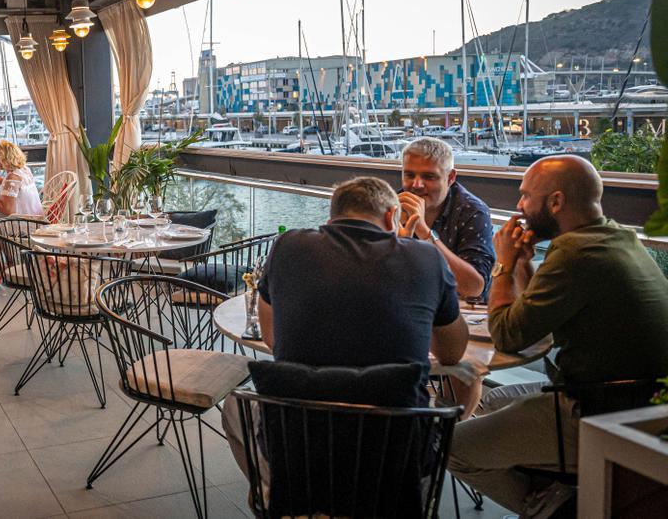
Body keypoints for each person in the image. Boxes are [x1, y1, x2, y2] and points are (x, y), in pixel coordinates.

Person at [448, 155, 668, 514]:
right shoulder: (614, 236)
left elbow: (507, 335)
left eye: (524, 196)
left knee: (451, 447)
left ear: (556, 202)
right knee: (491, 400)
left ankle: (554, 509)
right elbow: (541, 322)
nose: (518, 206)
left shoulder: (576, 255)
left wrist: (502, 265)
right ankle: (555, 491)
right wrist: (521, 262)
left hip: (600, 410)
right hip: (642, 402)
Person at [222, 177, 468, 484]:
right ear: (393, 216)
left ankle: (279, 494)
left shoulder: (286, 246)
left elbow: (274, 340)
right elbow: (452, 352)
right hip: (396, 457)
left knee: (235, 406)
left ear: (330, 219)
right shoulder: (427, 257)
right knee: (427, 412)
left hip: (298, 445)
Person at [398, 137, 496, 414]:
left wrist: (425, 235)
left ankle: (448, 441)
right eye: (409, 175)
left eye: (428, 177)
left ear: (450, 177)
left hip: (461, 314)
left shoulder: (471, 211)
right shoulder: (391, 205)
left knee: (465, 369)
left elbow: (474, 286)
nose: (416, 185)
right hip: (405, 310)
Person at [0, 140, 43, 287]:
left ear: (5, 158)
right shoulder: (23, 170)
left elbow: (8, 211)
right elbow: (1, 181)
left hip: (25, 223)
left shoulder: (13, 178)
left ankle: (2, 266)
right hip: (35, 218)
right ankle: (10, 261)